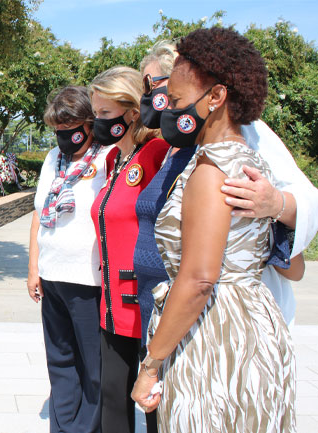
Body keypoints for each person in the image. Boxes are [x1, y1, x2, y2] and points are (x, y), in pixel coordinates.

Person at [130, 27, 296, 432]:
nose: (169, 111)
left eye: (180, 102)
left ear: (217, 97)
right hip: (258, 330)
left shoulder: (210, 170)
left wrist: (151, 365)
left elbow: (200, 279)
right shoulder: (255, 166)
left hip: (212, 335)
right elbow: (294, 265)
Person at [135, 41, 318, 344]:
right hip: (167, 316)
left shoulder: (246, 132)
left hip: (219, 325)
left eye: (156, 85)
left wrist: (276, 203)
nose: (156, 99)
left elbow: (305, 199)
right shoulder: (178, 143)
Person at [88, 66, 169, 433]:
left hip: (149, 303)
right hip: (113, 303)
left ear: (132, 111)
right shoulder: (110, 160)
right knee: (112, 403)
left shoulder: (156, 153)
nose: (97, 123)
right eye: (96, 113)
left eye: (105, 113)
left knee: (155, 408)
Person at [27, 86, 111, 433]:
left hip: (88, 279)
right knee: (60, 359)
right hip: (52, 275)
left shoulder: (107, 157)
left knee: (93, 365)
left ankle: (85, 427)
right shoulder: (52, 159)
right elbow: (37, 214)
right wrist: (33, 268)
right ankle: (62, 424)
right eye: (58, 130)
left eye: (71, 128)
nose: (64, 136)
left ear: (90, 124)